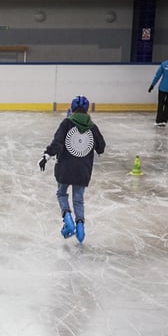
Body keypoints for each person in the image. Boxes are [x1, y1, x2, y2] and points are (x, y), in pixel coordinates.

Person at [38, 95, 106, 243]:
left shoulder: (67, 123)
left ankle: (67, 217)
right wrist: (98, 150)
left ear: (72, 109)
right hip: (83, 170)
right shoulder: (92, 127)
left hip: (65, 168)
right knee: (78, 199)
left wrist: (46, 156)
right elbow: (101, 146)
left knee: (61, 193)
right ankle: (80, 227)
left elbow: (57, 143)